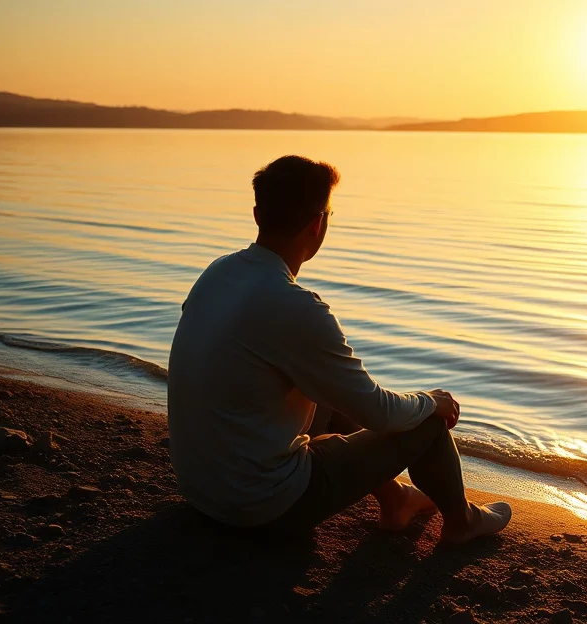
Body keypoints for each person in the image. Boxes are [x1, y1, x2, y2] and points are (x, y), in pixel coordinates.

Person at [167, 155, 510, 543]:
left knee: (331, 394)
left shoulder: (217, 273)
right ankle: (462, 521)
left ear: (258, 215)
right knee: (425, 420)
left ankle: (397, 500)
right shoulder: (296, 306)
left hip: (200, 489)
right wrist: (430, 402)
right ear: (318, 224)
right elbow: (379, 412)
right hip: (258, 507)